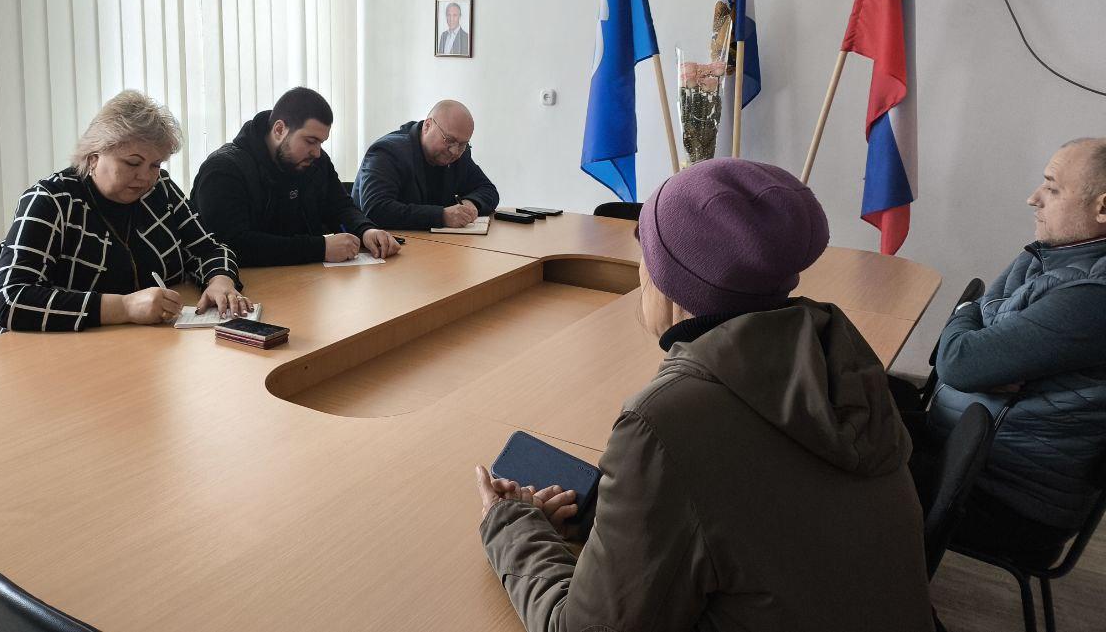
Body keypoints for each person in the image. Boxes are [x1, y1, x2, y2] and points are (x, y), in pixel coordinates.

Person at [474, 159, 934, 632]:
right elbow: (743, 512)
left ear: (673, 283)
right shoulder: (839, 362)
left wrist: (512, 525)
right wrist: (606, 519)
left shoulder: (665, 422)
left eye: (644, 257)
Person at [927, 137, 1106, 562]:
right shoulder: (1052, 254)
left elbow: (958, 361)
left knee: (817, 473)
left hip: (1003, 494)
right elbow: (979, 315)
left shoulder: (1093, 297)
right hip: (969, 457)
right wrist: (977, 319)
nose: (1033, 198)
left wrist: (975, 326)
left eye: (1052, 188)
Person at [0, 91, 247, 332]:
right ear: (93, 158)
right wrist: (124, 308)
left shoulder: (161, 190)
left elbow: (209, 249)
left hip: (145, 349)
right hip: (60, 355)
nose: (145, 177)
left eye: (155, 164)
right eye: (132, 163)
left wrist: (220, 280)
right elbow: (9, 299)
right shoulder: (51, 201)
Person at [190, 86, 401, 266]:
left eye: (321, 142)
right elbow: (232, 245)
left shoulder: (314, 161)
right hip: (246, 290)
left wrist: (366, 230)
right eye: (310, 141)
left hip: (306, 283)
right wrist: (320, 248)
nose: (317, 152)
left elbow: (340, 207)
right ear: (279, 130)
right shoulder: (223, 171)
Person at [351, 100, 498, 230]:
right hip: (382, 248)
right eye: (449, 140)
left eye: (463, 144)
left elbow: (488, 189)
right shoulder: (387, 152)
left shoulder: (459, 154)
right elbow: (376, 209)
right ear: (427, 126)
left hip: (436, 246)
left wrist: (471, 203)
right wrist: (442, 216)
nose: (454, 151)